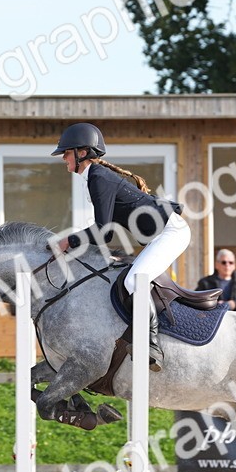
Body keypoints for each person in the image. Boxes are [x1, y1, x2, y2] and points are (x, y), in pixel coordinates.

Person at [50, 122, 187, 371]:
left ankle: (151, 344)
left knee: (134, 281)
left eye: (66, 153)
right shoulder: (96, 177)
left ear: (83, 152)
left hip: (171, 232)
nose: (64, 159)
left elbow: (104, 231)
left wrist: (69, 240)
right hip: (161, 235)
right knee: (123, 278)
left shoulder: (99, 178)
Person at [196, 248, 236, 313]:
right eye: (224, 262)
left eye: (231, 262)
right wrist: (215, 304)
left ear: (234, 266)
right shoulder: (205, 283)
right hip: (213, 319)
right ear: (217, 265)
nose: (227, 265)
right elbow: (196, 302)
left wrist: (234, 303)